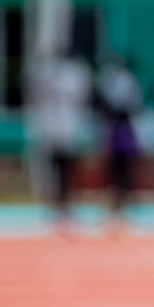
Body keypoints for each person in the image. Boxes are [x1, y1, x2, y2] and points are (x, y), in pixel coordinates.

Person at [29, 49, 93, 236]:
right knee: (54, 171)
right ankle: (56, 209)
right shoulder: (48, 74)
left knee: (69, 172)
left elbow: (82, 101)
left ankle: (68, 209)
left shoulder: (76, 75)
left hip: (70, 129)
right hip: (53, 129)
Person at [95, 54, 144, 236]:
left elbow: (134, 106)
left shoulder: (128, 81)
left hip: (124, 131)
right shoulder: (109, 80)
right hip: (113, 132)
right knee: (113, 174)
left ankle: (123, 213)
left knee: (124, 174)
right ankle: (113, 212)